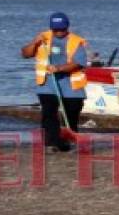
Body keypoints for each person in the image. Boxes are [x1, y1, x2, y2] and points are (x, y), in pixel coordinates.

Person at [20, 12, 88, 152]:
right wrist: (35, 42)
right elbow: (25, 54)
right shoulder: (43, 39)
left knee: (71, 115)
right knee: (49, 114)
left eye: (61, 29)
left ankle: (66, 142)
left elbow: (79, 63)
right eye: (55, 29)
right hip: (47, 86)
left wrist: (59, 68)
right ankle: (51, 144)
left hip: (71, 87)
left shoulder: (76, 42)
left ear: (67, 27)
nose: (58, 32)